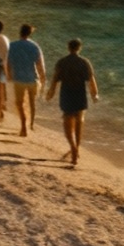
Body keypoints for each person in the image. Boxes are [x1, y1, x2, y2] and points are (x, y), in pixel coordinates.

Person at [47, 38, 99, 166]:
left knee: (67, 123)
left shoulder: (62, 62)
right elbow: (91, 80)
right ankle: (76, 150)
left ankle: (73, 147)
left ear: (68, 47)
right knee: (79, 123)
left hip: (66, 94)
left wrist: (51, 93)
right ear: (79, 48)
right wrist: (95, 94)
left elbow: (54, 80)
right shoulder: (84, 62)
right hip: (80, 95)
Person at [6, 24, 46, 137]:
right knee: (32, 102)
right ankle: (31, 125)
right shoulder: (35, 46)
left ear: (20, 32)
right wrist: (43, 78)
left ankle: (23, 126)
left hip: (18, 79)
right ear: (30, 33)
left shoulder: (12, 46)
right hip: (33, 79)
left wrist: (9, 75)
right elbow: (40, 65)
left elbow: (8, 63)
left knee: (19, 103)